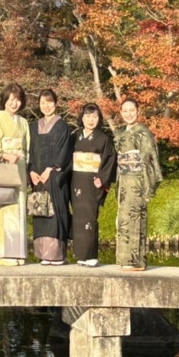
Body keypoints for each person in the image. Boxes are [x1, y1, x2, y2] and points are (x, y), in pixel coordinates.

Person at [114, 98, 164, 271]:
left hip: (138, 181)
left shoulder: (143, 133)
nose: (128, 114)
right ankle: (124, 259)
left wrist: (148, 187)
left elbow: (150, 159)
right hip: (124, 181)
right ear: (120, 113)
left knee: (136, 219)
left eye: (131, 110)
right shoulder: (120, 133)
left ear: (138, 111)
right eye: (125, 111)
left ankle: (136, 261)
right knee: (123, 221)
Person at [0, 82, 30, 266]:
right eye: (11, 99)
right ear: (5, 100)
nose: (14, 104)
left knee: (19, 209)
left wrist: (22, 158)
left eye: (18, 100)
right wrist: (5, 154)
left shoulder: (24, 122)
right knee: (5, 208)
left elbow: (27, 147)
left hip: (19, 167)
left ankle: (17, 252)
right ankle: (3, 254)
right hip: (4, 167)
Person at [28, 88, 72, 266]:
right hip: (37, 179)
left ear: (56, 103)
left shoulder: (62, 127)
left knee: (56, 212)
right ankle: (42, 254)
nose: (46, 106)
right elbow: (29, 152)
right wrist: (31, 170)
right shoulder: (33, 127)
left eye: (49, 102)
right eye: (42, 102)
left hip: (55, 177)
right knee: (40, 213)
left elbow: (65, 153)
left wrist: (50, 170)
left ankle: (56, 254)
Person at [70, 102, 116, 267]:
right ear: (81, 118)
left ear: (99, 118)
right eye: (87, 116)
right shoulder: (74, 137)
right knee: (78, 218)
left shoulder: (104, 139)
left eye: (94, 116)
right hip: (76, 181)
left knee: (90, 218)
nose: (91, 120)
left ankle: (91, 255)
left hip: (92, 182)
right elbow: (67, 159)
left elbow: (110, 160)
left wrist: (102, 178)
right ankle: (80, 254)